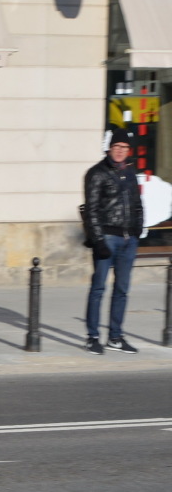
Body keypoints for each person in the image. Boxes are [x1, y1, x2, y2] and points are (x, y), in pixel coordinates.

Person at [82, 127, 144, 355]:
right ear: (109, 148)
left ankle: (116, 337)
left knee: (122, 290)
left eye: (124, 148)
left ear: (129, 150)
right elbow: (91, 210)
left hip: (128, 239)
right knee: (98, 288)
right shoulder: (96, 173)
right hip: (107, 238)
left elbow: (137, 204)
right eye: (116, 147)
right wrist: (98, 240)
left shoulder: (129, 172)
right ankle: (93, 337)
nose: (120, 151)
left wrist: (138, 228)